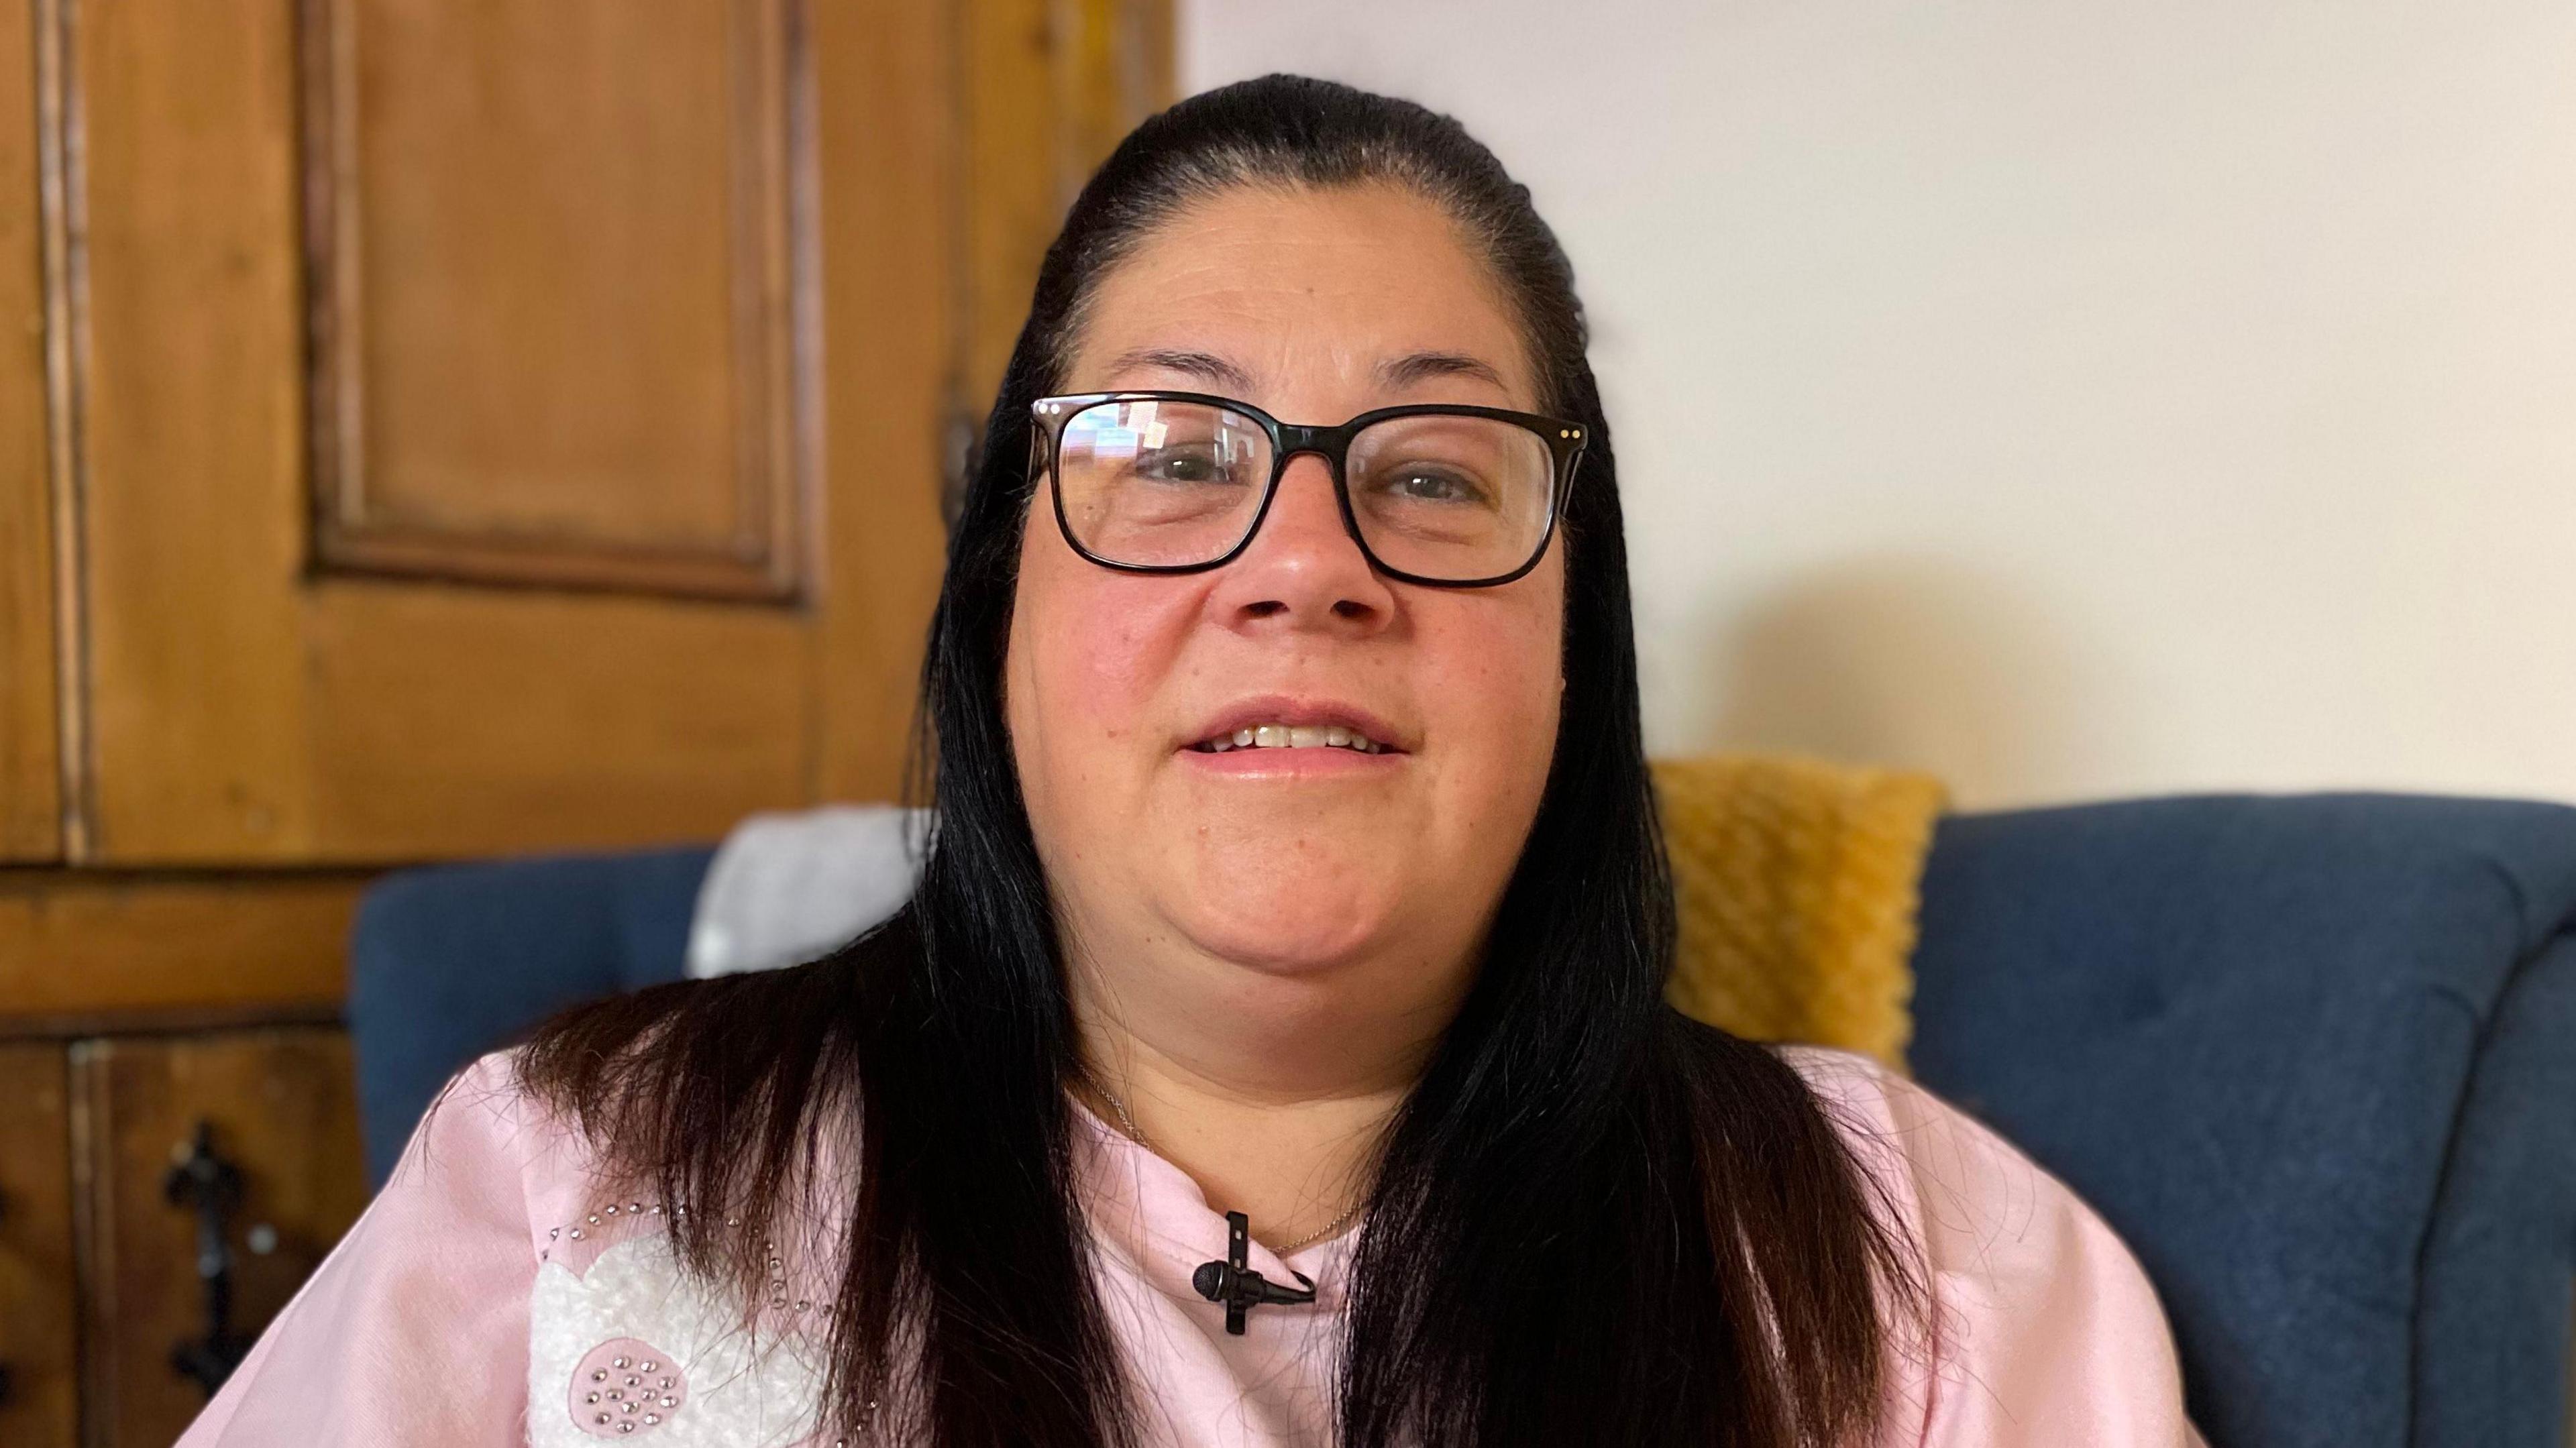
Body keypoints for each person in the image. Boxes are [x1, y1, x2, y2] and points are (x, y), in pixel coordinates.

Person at [178, 74, 2202, 1448]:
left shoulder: (1905, 1256)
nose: (1307, 565)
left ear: (1575, 636)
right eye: (1168, 460)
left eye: (1430, 472)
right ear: (999, 611)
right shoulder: (572, 1182)